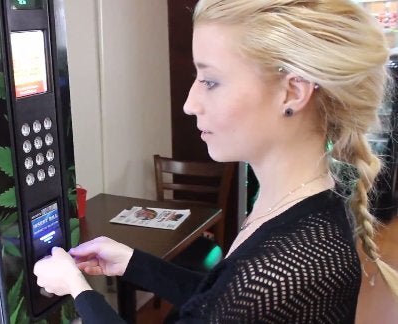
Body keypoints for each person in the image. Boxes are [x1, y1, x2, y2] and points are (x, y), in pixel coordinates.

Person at [33, 1, 398, 323]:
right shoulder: (298, 205)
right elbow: (223, 300)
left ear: (293, 92)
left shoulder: (293, 264)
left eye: (210, 81)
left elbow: (242, 298)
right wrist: (133, 262)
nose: (190, 104)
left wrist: (79, 292)